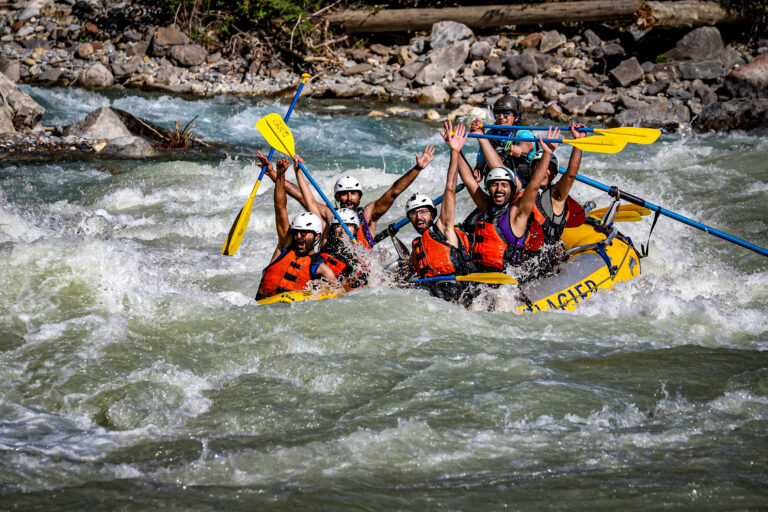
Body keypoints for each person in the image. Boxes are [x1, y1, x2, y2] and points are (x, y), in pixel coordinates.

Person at [265, 145, 437, 248]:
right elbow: (302, 196)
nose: (349, 198)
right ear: (337, 197)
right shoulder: (329, 215)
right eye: (344, 194)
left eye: (353, 193)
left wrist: (417, 168)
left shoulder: (369, 214)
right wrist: (275, 174)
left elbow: (394, 191)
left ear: (359, 196)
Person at [457, 128, 561, 281]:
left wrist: (547, 154)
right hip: (479, 276)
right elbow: (469, 180)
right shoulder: (486, 206)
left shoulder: (518, 213)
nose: (499, 189)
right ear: (489, 187)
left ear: (512, 189)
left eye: (504, 185)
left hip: (505, 281)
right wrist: (456, 150)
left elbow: (533, 185)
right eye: (494, 185)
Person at [254, 152, 337, 300]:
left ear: (317, 236)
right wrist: (279, 175)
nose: (299, 236)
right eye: (297, 232)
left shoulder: (321, 269)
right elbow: (280, 208)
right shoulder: (284, 247)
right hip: (259, 309)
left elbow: (338, 297)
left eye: (305, 233)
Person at [407, 121, 472, 280]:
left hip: (456, 289)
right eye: (414, 213)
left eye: (423, 211)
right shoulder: (416, 248)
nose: (419, 217)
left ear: (433, 213)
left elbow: (450, 189)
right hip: (432, 295)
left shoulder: (444, 228)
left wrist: (455, 151)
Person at [473, 86, 538, 184]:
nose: (501, 117)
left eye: (506, 113)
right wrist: (476, 174)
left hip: (520, 185)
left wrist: (519, 149)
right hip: (497, 186)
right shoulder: (489, 134)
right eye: (498, 113)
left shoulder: (522, 132)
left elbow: (527, 144)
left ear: (516, 117)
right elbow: (479, 167)